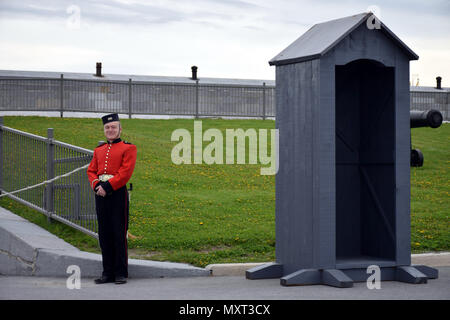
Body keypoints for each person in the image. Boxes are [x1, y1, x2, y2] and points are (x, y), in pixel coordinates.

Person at [87, 113, 137, 284]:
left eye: (113, 127)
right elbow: (91, 171)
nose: (110, 130)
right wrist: (96, 185)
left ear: (120, 129)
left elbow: (125, 173)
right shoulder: (99, 150)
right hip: (100, 194)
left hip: (117, 194)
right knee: (104, 234)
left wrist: (107, 187)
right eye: (107, 127)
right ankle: (107, 272)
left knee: (118, 232)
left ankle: (121, 272)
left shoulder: (128, 148)